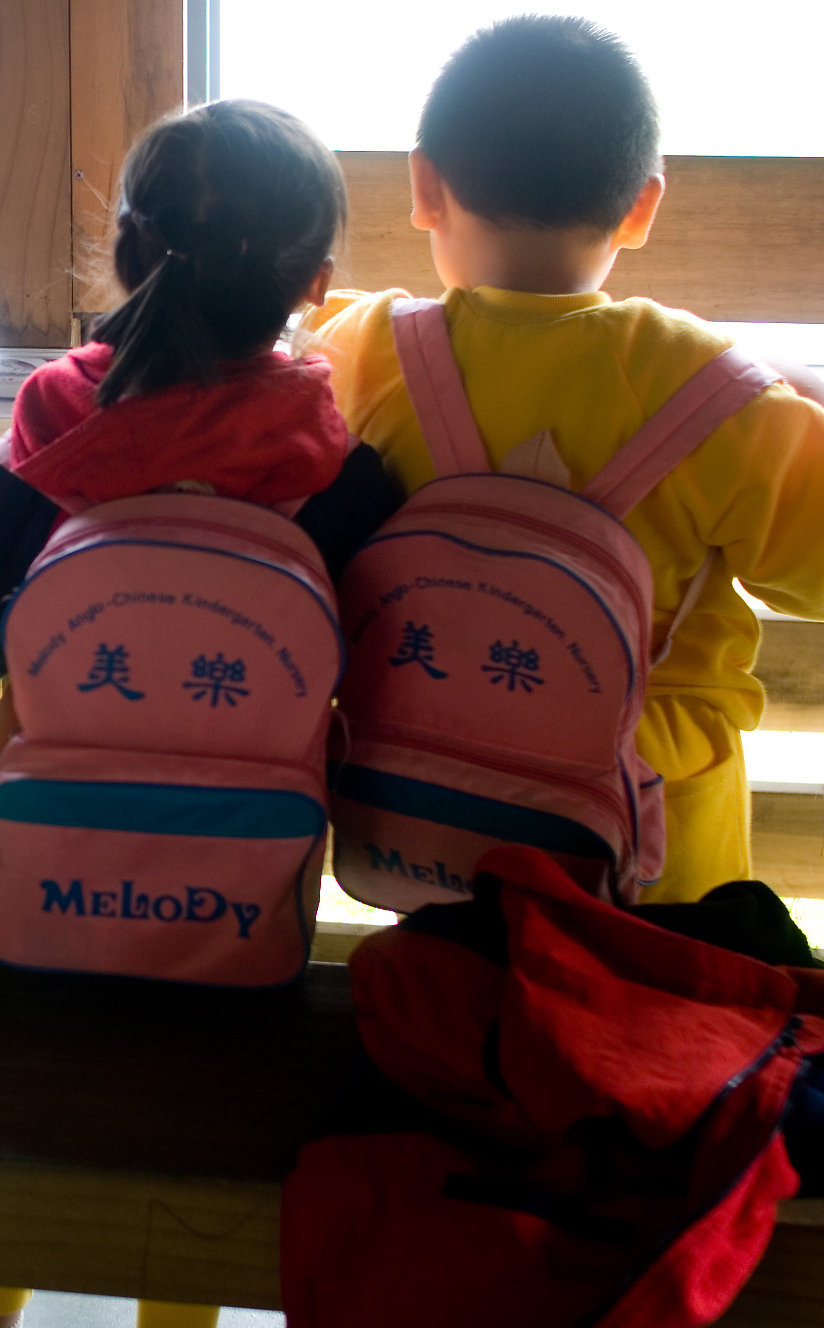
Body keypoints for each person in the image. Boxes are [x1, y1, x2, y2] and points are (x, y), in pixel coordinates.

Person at [0, 98, 396, 1328]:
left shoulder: (50, 423)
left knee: (19, 1072)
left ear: (126, 252)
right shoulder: (336, 464)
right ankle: (171, 1305)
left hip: (37, 802)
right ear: (316, 283)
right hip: (238, 843)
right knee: (204, 1085)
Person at [301, 15, 824, 904]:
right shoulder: (719, 402)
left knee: (455, 987)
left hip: (434, 823)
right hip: (649, 852)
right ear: (642, 206)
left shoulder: (361, 353)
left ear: (424, 185)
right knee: (645, 998)